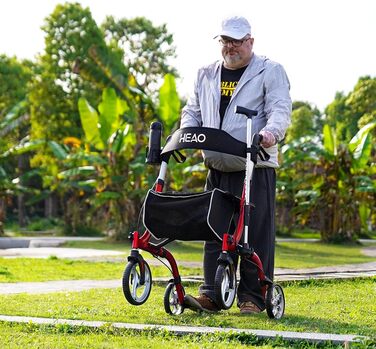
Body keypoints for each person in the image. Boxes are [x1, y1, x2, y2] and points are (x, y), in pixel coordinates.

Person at [180, 15, 292, 314]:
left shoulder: (270, 71)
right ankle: (212, 295)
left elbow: (280, 109)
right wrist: (187, 133)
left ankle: (252, 298)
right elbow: (192, 110)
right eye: (226, 41)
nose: (231, 47)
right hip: (217, 165)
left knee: (254, 234)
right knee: (214, 232)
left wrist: (270, 133)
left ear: (250, 42)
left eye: (237, 41)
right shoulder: (206, 73)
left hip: (255, 166)